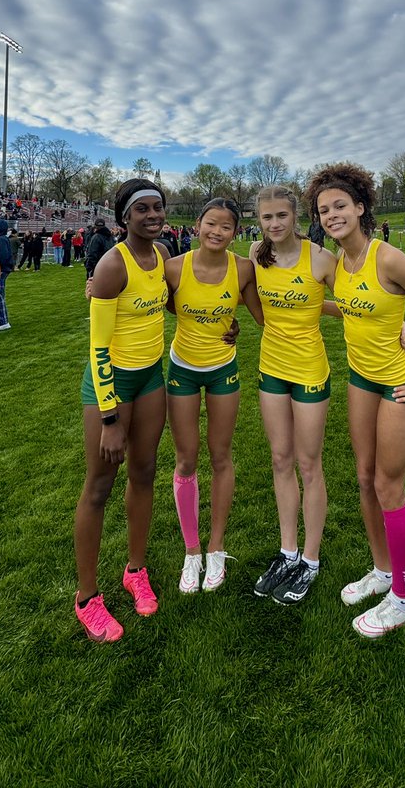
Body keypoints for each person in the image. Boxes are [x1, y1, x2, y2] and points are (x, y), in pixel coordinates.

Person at [306, 164, 405, 639]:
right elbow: (351, 306)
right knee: (364, 478)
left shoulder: (389, 258)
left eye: (339, 206)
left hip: (399, 385)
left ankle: (403, 598)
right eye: (323, 210)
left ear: (360, 208)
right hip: (361, 380)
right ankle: (382, 570)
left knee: (389, 487)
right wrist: (300, 307)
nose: (332, 215)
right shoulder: (338, 262)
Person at [73, 178, 171, 643]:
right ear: (124, 217)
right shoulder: (113, 265)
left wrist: (224, 325)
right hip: (111, 383)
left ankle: (135, 570)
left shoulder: (164, 254)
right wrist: (110, 420)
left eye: (158, 207)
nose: (153, 215)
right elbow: (98, 347)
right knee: (99, 486)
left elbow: (178, 302)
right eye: (142, 209)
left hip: (151, 377)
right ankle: (87, 598)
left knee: (145, 472)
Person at [248, 185, 343, 606]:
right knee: (280, 459)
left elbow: (353, 302)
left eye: (281, 216)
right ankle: (288, 553)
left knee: (308, 464)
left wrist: (396, 326)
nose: (274, 224)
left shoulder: (320, 258)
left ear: (296, 217)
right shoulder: (256, 254)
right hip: (271, 369)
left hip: (309, 372)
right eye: (267, 217)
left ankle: (311, 559)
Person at [164, 198, 262, 594]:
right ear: (197, 224)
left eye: (226, 227)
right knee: (186, 459)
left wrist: (349, 312)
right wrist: (95, 290)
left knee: (221, 457)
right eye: (211, 223)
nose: (217, 232)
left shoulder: (243, 269)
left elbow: (267, 313)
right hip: (182, 370)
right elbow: (159, 304)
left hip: (223, 370)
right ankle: (191, 552)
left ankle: (216, 547)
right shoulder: (174, 267)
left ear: (235, 233)